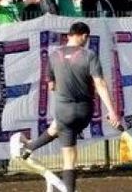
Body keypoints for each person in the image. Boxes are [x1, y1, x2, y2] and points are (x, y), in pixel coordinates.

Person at [13, 22, 122, 192]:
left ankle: (30, 149)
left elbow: (51, 86)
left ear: (69, 35)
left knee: (68, 157)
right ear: (84, 36)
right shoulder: (90, 55)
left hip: (64, 110)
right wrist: (112, 112)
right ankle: (29, 148)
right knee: (57, 128)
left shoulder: (54, 56)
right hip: (84, 112)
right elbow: (99, 83)